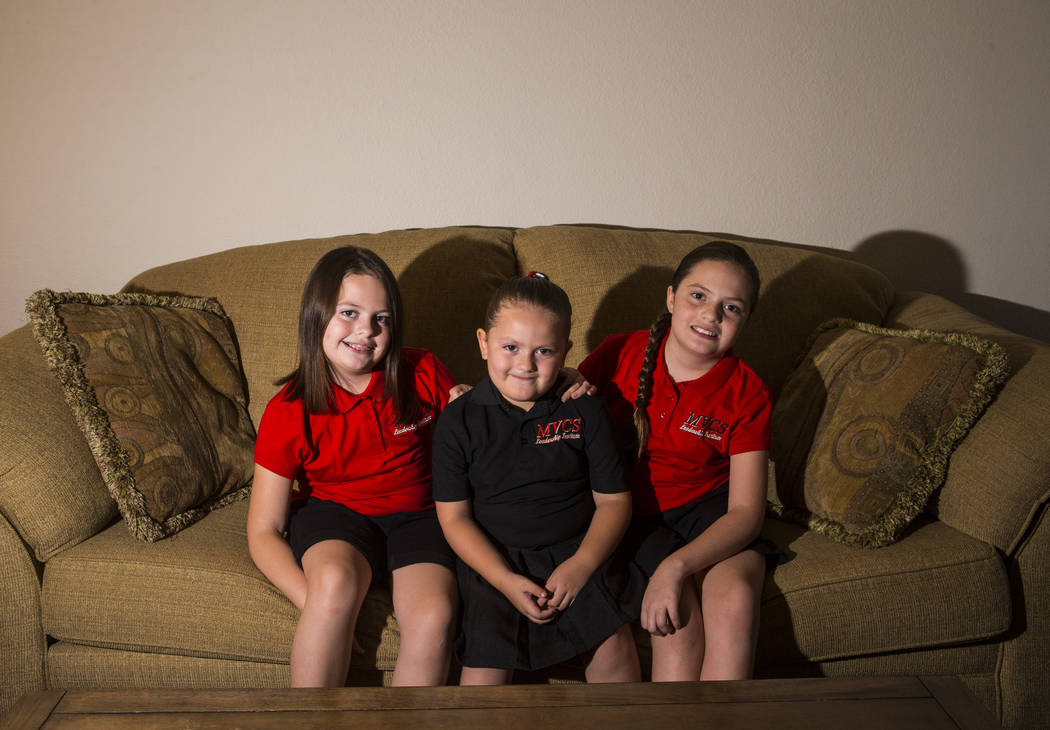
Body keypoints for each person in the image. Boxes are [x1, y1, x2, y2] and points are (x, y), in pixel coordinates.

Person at [247, 246, 461, 688]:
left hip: (419, 514)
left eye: (381, 319)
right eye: (348, 313)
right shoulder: (288, 410)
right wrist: (314, 602)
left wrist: (565, 381)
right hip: (335, 514)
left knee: (434, 613)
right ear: (316, 315)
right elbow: (263, 528)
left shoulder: (423, 370)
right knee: (332, 585)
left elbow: (488, 409)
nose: (365, 331)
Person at [578, 241, 780, 682]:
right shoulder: (619, 354)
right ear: (671, 298)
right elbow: (560, 402)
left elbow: (746, 511)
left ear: (745, 320)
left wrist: (678, 565)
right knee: (678, 618)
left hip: (711, 514)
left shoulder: (749, 393)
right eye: (699, 296)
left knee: (735, 598)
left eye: (732, 308)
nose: (711, 315)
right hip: (635, 516)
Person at [432, 273, 644, 685]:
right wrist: (504, 580)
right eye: (510, 347)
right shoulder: (459, 419)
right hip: (494, 561)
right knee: (481, 681)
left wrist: (581, 565)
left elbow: (614, 503)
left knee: (614, 652)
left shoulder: (583, 409)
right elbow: (454, 518)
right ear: (483, 343)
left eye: (544, 351)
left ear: (565, 351)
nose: (525, 364)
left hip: (578, 551)